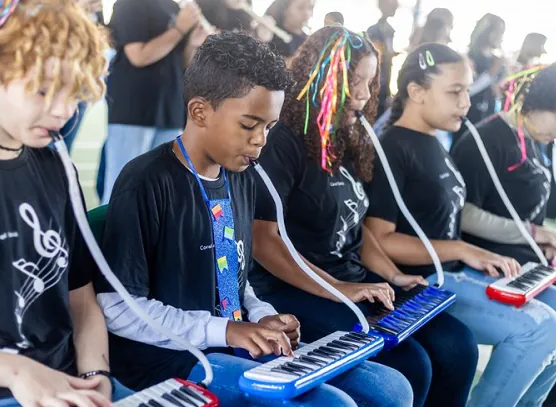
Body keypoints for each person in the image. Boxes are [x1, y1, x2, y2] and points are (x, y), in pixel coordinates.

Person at [95, 31, 413, 406]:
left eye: (270, 127)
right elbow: (118, 309)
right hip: (173, 359)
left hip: (231, 343)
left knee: (390, 390)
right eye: (249, 125)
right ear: (200, 112)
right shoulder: (146, 181)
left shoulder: (242, 176)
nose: (261, 140)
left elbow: (233, 278)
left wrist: (264, 315)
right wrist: (227, 330)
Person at [250, 28, 476, 407]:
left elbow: (357, 226)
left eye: (370, 83)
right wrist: (340, 289)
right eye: (355, 82)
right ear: (324, 79)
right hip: (295, 289)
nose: (366, 95)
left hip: (351, 280)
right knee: (411, 364)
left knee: (457, 344)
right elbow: (263, 240)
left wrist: (393, 274)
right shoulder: (284, 141)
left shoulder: (344, 135)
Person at [366, 44, 556, 407]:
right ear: (416, 91)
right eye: (455, 92)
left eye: (467, 90)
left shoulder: (435, 141)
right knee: (539, 328)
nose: (466, 102)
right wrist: (466, 249)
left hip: (455, 270)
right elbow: (379, 240)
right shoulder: (393, 147)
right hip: (423, 280)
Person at [0, 1, 134, 406]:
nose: (65, 112)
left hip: (68, 382)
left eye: (75, 93)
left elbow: (80, 298)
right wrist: (17, 372)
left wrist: (96, 374)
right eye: (45, 89)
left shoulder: (55, 165)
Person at [451, 64, 556, 407]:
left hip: (519, 261)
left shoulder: (531, 140)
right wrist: (531, 232)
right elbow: (464, 213)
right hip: (486, 265)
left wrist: (542, 238)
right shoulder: (485, 140)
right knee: (545, 327)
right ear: (535, 103)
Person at [102, 0, 212, 203]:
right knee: (121, 186)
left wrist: (194, 43)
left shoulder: (172, 7)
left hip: (170, 109)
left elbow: (182, 63)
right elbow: (138, 56)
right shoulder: (130, 4)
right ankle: (113, 234)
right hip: (134, 110)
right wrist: (180, 28)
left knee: (160, 187)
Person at [367, 0, 400, 117]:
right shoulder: (375, 30)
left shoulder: (389, 30)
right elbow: (376, 55)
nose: (396, 6)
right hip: (378, 78)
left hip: (384, 78)